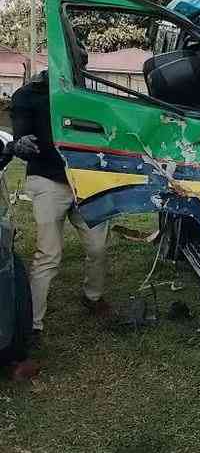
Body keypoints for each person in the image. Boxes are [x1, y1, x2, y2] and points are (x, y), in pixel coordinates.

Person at [10, 70, 111, 344]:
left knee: (98, 247)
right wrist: (21, 143)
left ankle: (92, 297)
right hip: (48, 181)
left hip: (87, 183)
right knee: (48, 255)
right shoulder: (27, 96)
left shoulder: (86, 96)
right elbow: (20, 135)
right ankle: (31, 325)